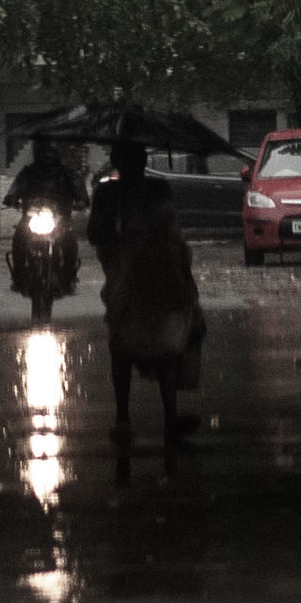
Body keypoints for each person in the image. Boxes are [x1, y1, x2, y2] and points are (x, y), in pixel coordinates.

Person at [87, 138, 205, 443]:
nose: (134, 164)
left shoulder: (157, 190)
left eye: (138, 157)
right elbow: (95, 234)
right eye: (127, 158)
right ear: (117, 160)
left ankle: (167, 418)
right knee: (123, 346)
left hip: (160, 275)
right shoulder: (108, 194)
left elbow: (171, 229)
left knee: (165, 348)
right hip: (125, 276)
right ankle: (124, 418)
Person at [3, 137, 89, 290]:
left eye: (49, 151)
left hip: (60, 217)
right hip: (32, 215)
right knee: (19, 236)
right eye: (43, 151)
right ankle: (19, 274)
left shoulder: (67, 173)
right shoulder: (29, 172)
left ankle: (69, 275)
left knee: (69, 238)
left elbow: (79, 190)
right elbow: (17, 187)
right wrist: (11, 198)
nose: (46, 155)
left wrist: (81, 200)